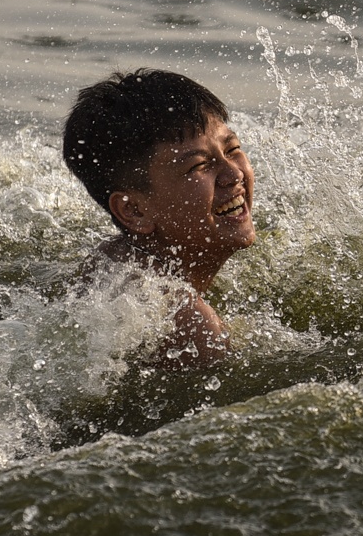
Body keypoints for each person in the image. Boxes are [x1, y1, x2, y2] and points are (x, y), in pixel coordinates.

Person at [62, 69, 256, 368]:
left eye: (232, 149)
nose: (233, 174)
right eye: (199, 166)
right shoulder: (191, 324)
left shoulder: (114, 260)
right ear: (134, 211)